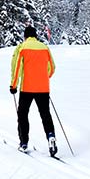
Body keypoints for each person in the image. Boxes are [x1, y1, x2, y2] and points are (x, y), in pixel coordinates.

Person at [9, 24, 57, 156]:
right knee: (45, 115)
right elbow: (52, 68)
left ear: (25, 36)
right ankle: (51, 137)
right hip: (43, 88)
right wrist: (42, 78)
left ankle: (24, 142)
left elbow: (17, 68)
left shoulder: (23, 48)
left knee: (23, 115)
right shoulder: (45, 48)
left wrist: (13, 85)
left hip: (27, 88)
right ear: (36, 36)